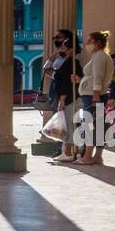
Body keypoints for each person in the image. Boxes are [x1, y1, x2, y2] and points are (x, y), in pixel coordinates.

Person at [77, 31, 115, 165]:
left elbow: (98, 77)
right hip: (96, 94)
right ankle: (97, 156)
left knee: (90, 125)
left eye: (89, 41)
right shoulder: (99, 56)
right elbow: (95, 77)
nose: (86, 44)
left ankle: (87, 156)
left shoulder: (99, 56)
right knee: (98, 126)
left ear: (97, 43)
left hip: (93, 96)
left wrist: (95, 95)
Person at [51, 29, 81, 161]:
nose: (62, 48)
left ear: (70, 49)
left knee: (70, 125)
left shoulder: (72, 63)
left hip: (69, 98)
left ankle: (68, 152)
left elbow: (67, 84)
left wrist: (62, 99)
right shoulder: (67, 62)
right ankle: (74, 150)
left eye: (65, 46)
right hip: (66, 97)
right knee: (71, 124)